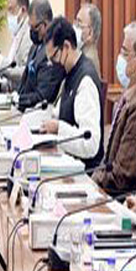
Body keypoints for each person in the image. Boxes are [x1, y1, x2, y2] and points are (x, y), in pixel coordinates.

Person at [91, 23, 136, 197]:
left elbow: (121, 176)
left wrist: (90, 182)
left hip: (127, 203)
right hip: (109, 192)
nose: (119, 58)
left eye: (124, 52)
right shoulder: (131, 93)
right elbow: (109, 162)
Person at [39, 18, 105, 169]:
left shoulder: (85, 81)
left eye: (54, 57)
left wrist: (59, 128)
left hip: (82, 171)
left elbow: (90, 143)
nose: (52, 64)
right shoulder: (69, 73)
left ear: (66, 47)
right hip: (65, 161)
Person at [16, 0, 66, 111]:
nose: (31, 31)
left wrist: (20, 100)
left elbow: (43, 95)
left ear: (45, 24)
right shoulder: (35, 46)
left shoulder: (52, 53)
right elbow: (25, 80)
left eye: (34, 27)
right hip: (22, 109)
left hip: (37, 112)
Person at [0, 0, 31, 86]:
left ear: (23, 10)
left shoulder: (29, 34)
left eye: (11, 10)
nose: (9, 15)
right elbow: (12, 66)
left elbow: (24, 72)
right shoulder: (17, 32)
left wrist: (0, 63)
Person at [74, 2, 103, 77]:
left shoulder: (89, 60)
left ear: (90, 32)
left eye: (79, 23)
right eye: (75, 22)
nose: (75, 26)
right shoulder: (82, 54)